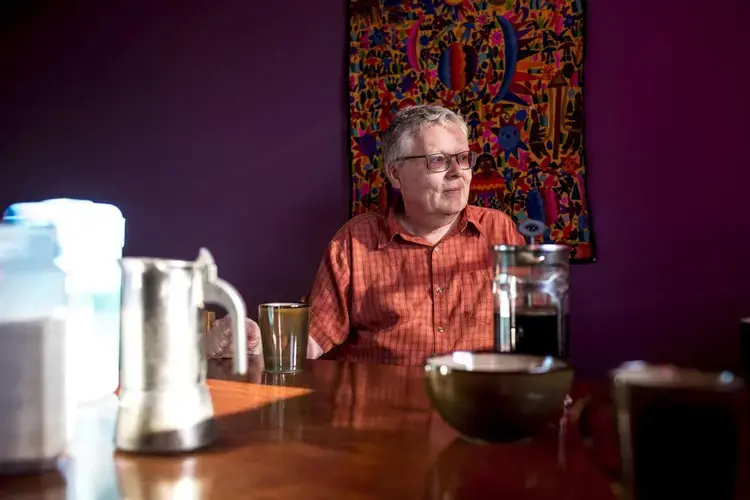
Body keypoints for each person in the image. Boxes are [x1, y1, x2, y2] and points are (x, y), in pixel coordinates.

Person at [208, 104, 524, 365]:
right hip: (383, 420)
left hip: (479, 412)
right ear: (396, 174)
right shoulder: (355, 242)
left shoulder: (499, 231)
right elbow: (312, 338)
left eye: (463, 158)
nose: (458, 172)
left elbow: (528, 334)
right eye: (438, 160)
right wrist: (248, 341)